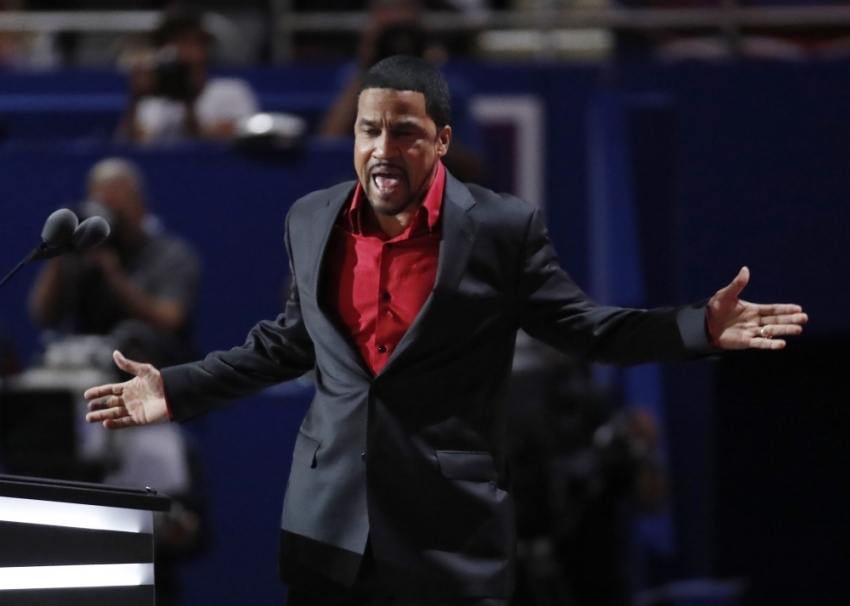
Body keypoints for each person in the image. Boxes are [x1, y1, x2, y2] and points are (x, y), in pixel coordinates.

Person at [84, 56, 807, 605]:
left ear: (442, 140)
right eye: (369, 130)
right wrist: (171, 390)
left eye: (405, 131)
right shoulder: (311, 219)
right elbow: (283, 344)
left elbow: (586, 329)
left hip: (448, 531)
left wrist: (697, 327)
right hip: (327, 524)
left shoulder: (501, 228)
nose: (383, 148)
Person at [28, 157, 200, 368]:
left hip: (154, 369)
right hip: (87, 368)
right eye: (101, 208)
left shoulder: (171, 256)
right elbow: (42, 315)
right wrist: (61, 253)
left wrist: (113, 274)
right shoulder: (83, 255)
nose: (109, 220)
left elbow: (169, 320)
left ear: (140, 207)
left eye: (115, 209)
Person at [319, 0, 484, 183]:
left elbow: (473, 168)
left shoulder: (448, 86)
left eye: (405, 35)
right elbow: (328, 145)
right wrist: (366, 71)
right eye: (389, 35)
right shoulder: (354, 79)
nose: (398, 45)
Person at [116, 5, 259, 143]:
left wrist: (189, 103)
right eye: (172, 42)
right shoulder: (153, 101)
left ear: (205, 46)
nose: (181, 50)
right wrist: (136, 100)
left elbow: (215, 147)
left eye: (188, 41)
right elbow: (136, 147)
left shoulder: (233, 91)